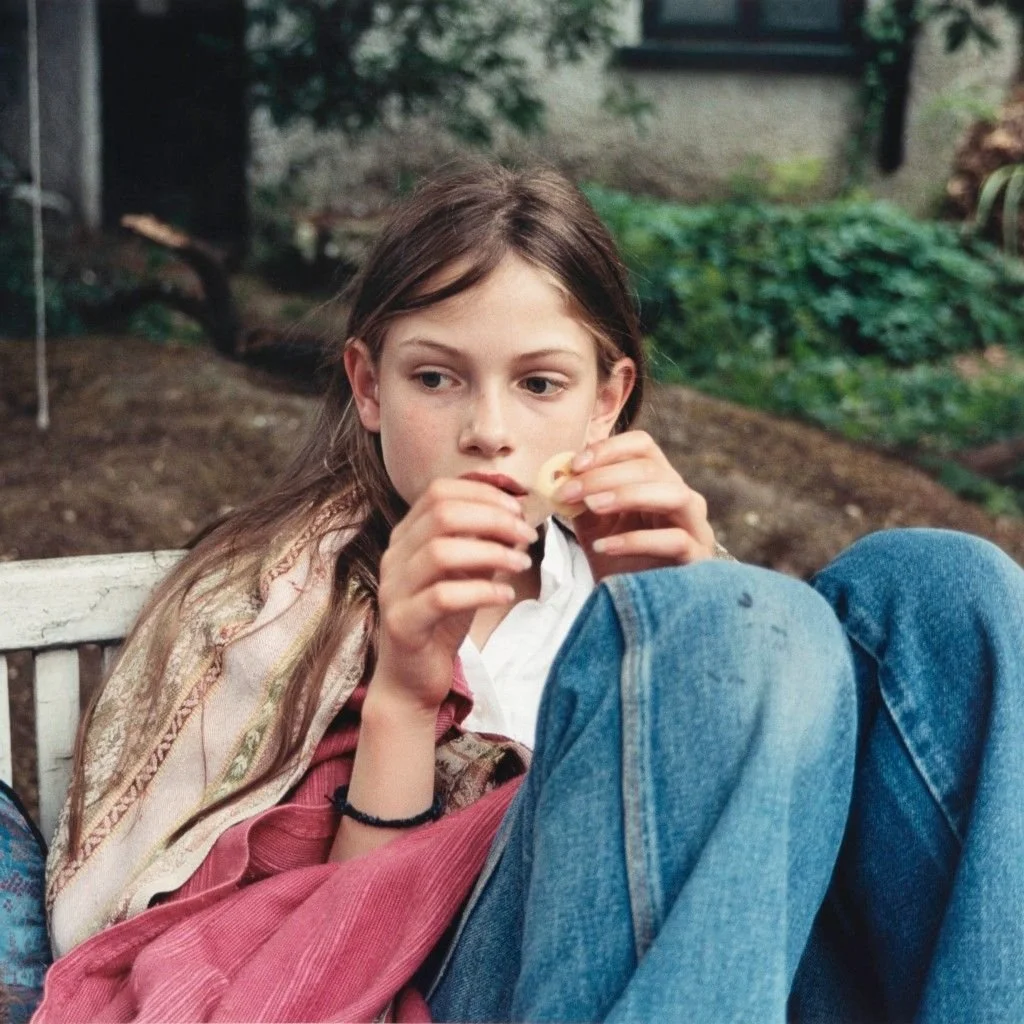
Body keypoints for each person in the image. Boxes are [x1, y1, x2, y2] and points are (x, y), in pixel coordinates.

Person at [30, 162, 1024, 1022]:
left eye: (540, 384)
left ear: (607, 401)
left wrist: (684, 636)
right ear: (368, 387)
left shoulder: (648, 570)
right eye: (436, 379)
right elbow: (303, 970)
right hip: (451, 986)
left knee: (946, 586)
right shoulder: (264, 603)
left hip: (745, 972)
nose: (489, 432)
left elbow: (774, 868)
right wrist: (403, 694)